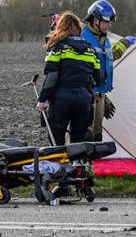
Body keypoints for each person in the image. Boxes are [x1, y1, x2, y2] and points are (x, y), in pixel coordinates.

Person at [37, 11, 101, 144]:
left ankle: (61, 164)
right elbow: (99, 78)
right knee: (78, 142)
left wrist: (42, 99)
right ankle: (76, 164)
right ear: (78, 28)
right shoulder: (91, 50)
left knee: (56, 139)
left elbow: (52, 76)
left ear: (60, 27)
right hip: (83, 100)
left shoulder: (58, 47)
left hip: (62, 99)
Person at [80, 0, 131, 140]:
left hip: (98, 95)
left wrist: (124, 44)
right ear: (95, 20)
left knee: (97, 136)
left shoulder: (103, 38)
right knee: (87, 138)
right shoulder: (83, 37)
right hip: (87, 96)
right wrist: (93, 94)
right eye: (106, 21)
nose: (110, 25)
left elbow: (107, 59)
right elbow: (79, 71)